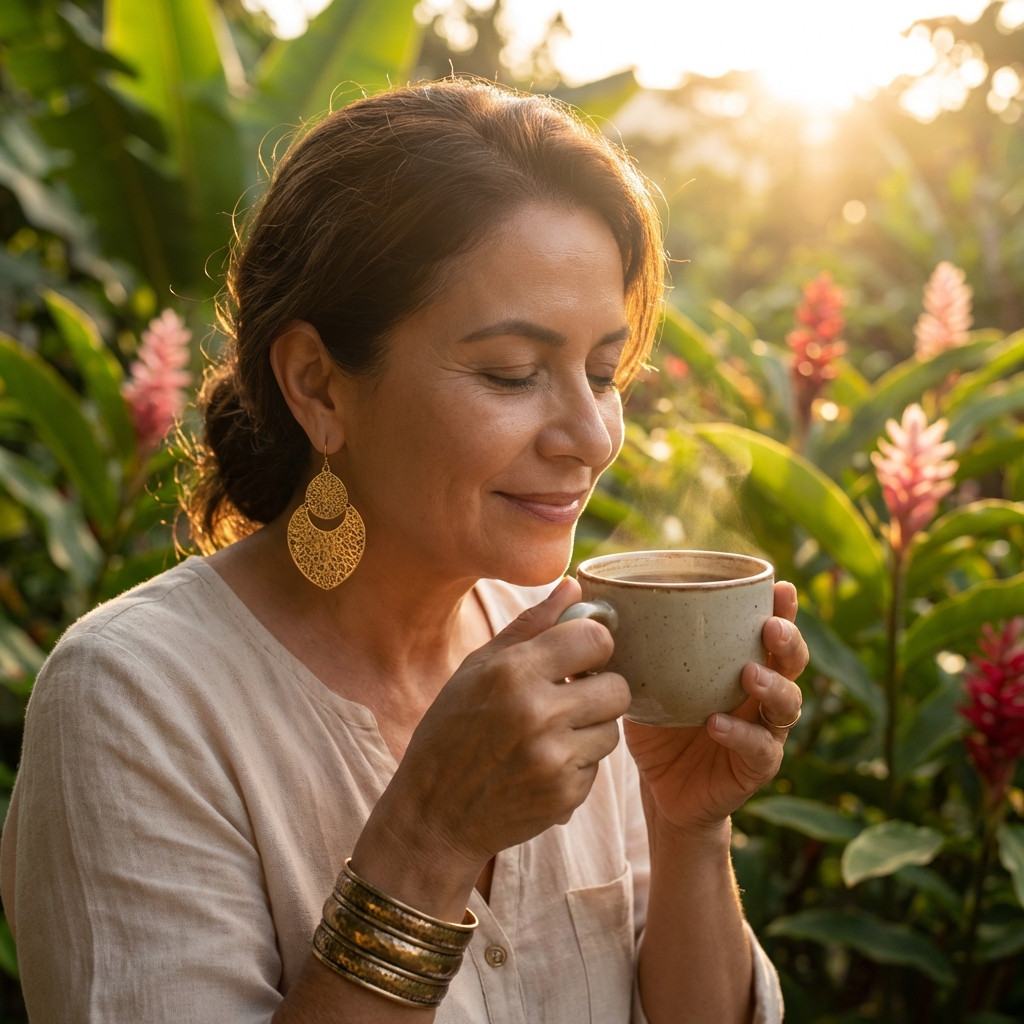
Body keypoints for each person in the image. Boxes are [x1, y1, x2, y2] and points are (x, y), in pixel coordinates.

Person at [1, 79, 807, 1023]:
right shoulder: (136, 700)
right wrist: (431, 837)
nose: (591, 436)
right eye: (512, 374)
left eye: (602, 372)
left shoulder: (580, 645)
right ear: (319, 386)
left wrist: (687, 825)